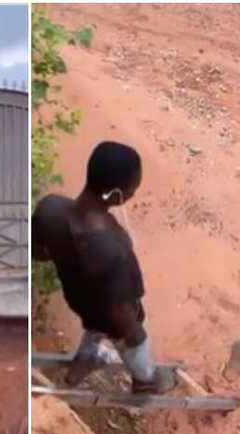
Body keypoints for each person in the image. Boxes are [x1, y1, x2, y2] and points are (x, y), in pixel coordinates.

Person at [31, 141, 174, 394]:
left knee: (98, 316)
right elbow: (122, 313)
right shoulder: (110, 246)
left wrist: (69, 257)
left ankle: (87, 357)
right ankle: (145, 381)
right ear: (117, 193)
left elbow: (38, 253)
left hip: (81, 302)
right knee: (125, 328)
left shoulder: (50, 208)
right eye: (133, 188)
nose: (134, 193)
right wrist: (136, 340)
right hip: (110, 316)